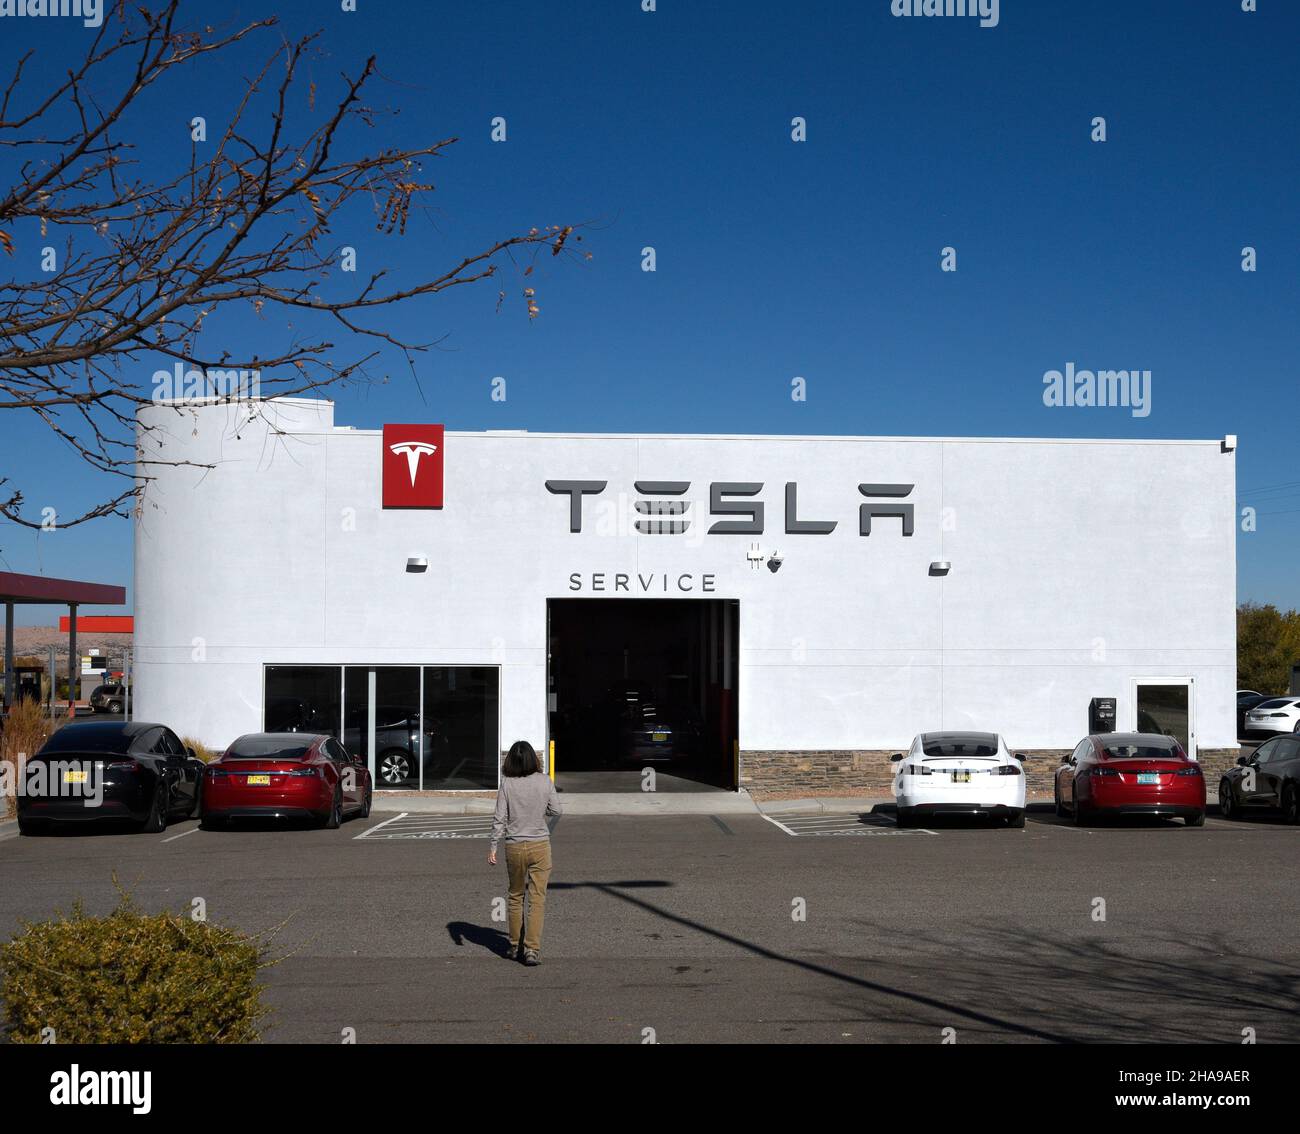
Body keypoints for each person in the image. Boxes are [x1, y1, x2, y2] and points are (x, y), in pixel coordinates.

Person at [487, 740, 562, 965]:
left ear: (510, 760)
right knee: (537, 899)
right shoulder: (544, 781)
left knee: (516, 895)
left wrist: (493, 846)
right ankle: (532, 949)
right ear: (533, 758)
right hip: (540, 843)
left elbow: (499, 818)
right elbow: (557, 810)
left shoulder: (507, 783)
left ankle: (513, 945)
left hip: (515, 845)